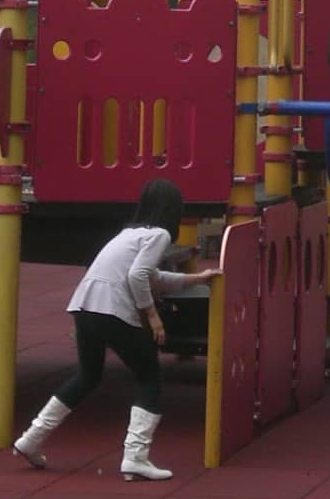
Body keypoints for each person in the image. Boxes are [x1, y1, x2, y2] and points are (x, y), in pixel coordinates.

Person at [13, 179, 220, 480]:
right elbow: (139, 276)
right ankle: (135, 456)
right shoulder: (160, 234)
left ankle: (31, 438)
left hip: (84, 305)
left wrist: (197, 279)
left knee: (87, 375)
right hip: (112, 308)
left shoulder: (129, 233)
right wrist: (153, 316)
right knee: (149, 377)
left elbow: (151, 276)